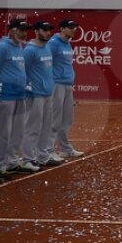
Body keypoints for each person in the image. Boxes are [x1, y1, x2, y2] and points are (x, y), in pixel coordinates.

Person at [0, 19, 34, 175]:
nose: (24, 33)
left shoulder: (19, 47)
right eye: (21, 30)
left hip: (19, 95)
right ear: (11, 31)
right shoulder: (2, 48)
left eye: (25, 30)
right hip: (6, 95)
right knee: (3, 131)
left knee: (17, 131)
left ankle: (12, 161)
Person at [23, 22, 61, 168]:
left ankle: (42, 155)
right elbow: (23, 72)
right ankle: (27, 158)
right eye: (44, 30)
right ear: (36, 31)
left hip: (47, 94)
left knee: (46, 126)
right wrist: (29, 88)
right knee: (33, 127)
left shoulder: (46, 48)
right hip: (35, 95)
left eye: (49, 30)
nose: (48, 33)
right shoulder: (29, 50)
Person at [48, 19, 83, 158]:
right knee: (55, 119)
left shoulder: (67, 43)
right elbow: (44, 63)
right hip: (56, 85)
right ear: (62, 29)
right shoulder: (53, 44)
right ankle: (48, 151)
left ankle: (65, 148)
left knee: (67, 119)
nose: (74, 29)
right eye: (70, 27)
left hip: (67, 85)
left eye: (75, 27)